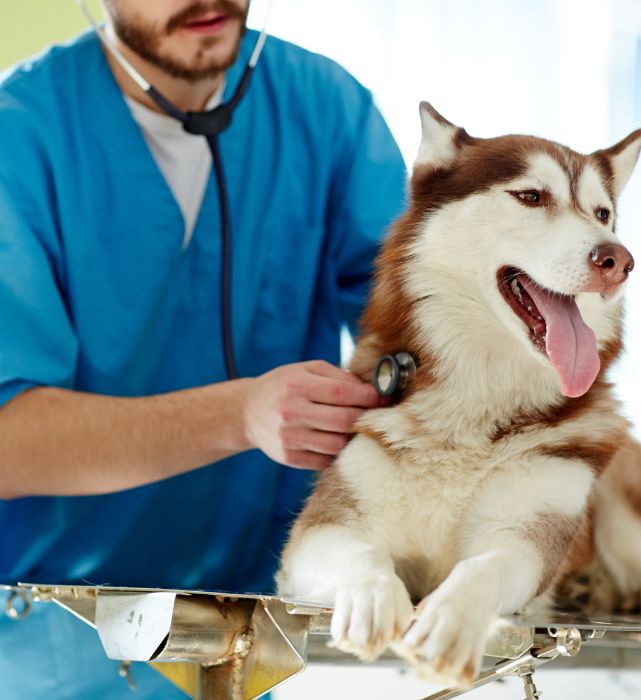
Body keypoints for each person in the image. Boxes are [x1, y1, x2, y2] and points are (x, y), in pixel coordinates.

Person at [0, 0, 406, 697]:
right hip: (56, 640)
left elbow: (412, 329)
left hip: (244, 637)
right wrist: (242, 414)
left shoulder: (326, 108)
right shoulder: (20, 136)